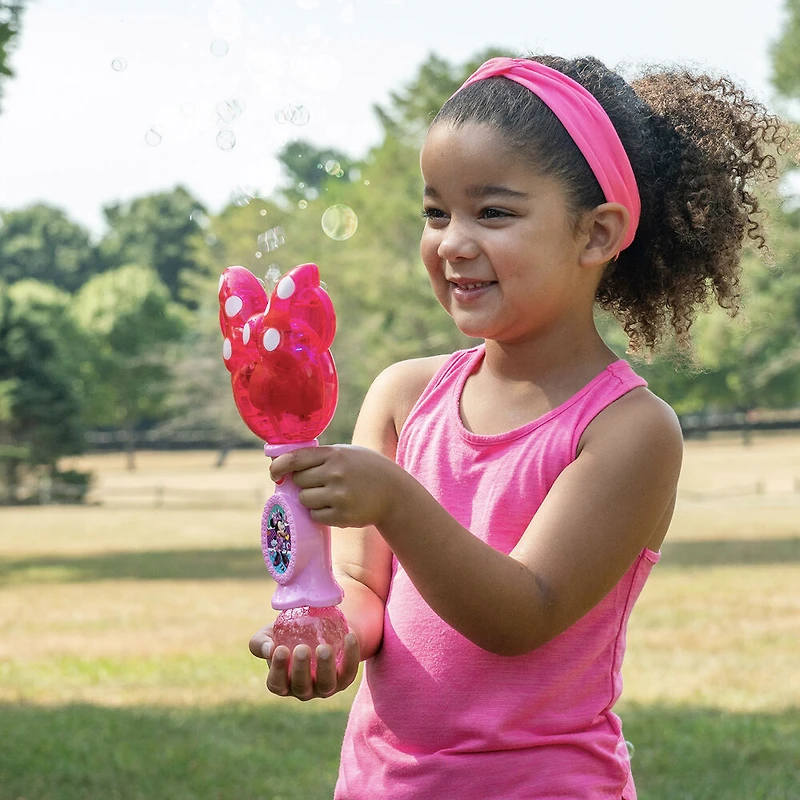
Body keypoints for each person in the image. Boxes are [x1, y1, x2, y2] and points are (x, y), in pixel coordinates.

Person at [249, 54, 790, 798]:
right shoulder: (405, 395)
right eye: (436, 212)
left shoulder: (627, 430)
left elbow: (523, 614)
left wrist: (397, 500)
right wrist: (332, 637)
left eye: (493, 212)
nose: (452, 242)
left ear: (597, 234)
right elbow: (361, 584)